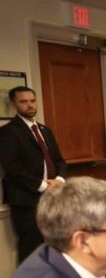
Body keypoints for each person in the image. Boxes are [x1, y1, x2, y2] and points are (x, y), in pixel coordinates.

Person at [0, 86, 67, 262]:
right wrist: (43, 186)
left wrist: (59, 180)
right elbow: (12, 168)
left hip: (54, 197)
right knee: (32, 248)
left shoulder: (45, 130)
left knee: (57, 244)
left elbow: (59, 160)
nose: (30, 105)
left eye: (32, 101)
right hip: (27, 200)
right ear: (14, 104)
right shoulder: (7, 132)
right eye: (23, 102)